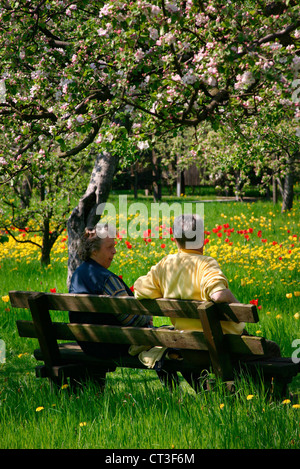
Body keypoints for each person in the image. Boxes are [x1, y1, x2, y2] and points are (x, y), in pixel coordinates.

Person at [134, 214, 281, 390]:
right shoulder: (206, 264)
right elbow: (218, 295)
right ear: (203, 237)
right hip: (220, 346)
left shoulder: (166, 265)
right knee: (271, 350)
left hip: (187, 347)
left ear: (174, 239)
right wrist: (239, 308)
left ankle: (233, 392)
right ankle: (272, 396)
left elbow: (140, 289)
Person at [69, 223, 152, 359]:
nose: (114, 251)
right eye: (109, 247)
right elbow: (132, 319)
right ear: (94, 251)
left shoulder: (77, 275)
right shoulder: (107, 280)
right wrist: (149, 317)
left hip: (88, 344)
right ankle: (170, 381)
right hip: (115, 345)